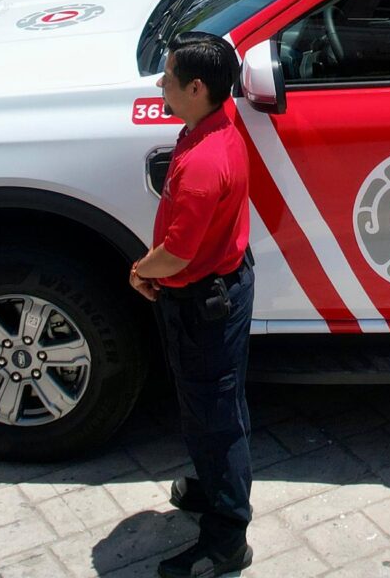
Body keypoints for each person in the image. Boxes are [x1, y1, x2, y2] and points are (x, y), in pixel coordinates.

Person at [131, 32, 255, 578]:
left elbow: (177, 255)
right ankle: (210, 486)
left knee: (216, 419)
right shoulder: (219, 115)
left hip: (202, 301)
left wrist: (138, 270)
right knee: (214, 404)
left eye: (169, 76)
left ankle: (227, 540)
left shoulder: (205, 164)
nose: (161, 84)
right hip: (218, 291)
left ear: (197, 87)